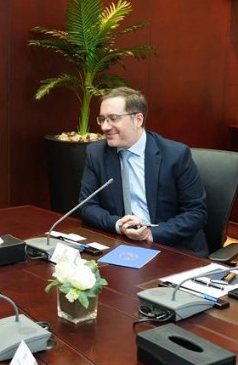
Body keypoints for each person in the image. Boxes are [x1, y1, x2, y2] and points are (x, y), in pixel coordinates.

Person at [78, 87, 208, 255]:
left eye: (113, 118)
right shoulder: (96, 153)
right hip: (121, 244)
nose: (105, 126)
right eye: (102, 119)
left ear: (138, 119)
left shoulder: (176, 155)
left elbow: (196, 212)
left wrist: (150, 234)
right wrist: (119, 225)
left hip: (171, 246)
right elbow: (87, 206)